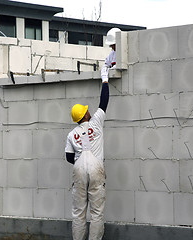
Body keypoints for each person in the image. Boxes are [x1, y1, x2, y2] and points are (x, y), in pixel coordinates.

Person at [64, 29, 118, 240]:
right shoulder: (95, 122)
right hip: (96, 167)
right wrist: (104, 78)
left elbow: (69, 158)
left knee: (78, 213)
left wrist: (80, 161)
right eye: (86, 109)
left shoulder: (71, 134)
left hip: (79, 167)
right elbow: (104, 102)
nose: (89, 109)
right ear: (85, 114)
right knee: (96, 213)